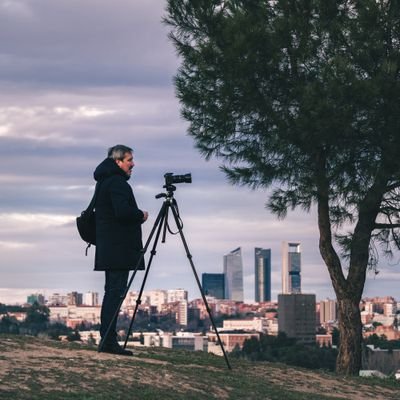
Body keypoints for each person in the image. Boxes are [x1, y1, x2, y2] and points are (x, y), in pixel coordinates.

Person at [93, 144, 148, 355]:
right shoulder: (117, 183)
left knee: (112, 293)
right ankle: (108, 341)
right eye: (129, 160)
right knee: (114, 294)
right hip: (118, 249)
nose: (133, 164)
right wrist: (140, 215)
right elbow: (123, 213)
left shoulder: (105, 182)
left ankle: (107, 339)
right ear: (118, 162)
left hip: (111, 248)